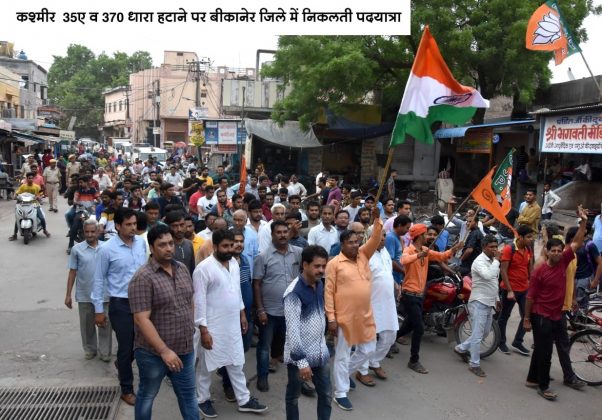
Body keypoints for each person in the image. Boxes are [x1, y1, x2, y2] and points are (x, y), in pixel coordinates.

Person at [193, 229, 268, 417]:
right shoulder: (203, 269)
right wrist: (203, 330)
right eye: (225, 246)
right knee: (205, 366)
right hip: (211, 326)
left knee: (236, 362)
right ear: (215, 246)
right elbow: (199, 301)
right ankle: (202, 400)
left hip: (232, 323)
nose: (229, 249)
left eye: (231, 245)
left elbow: (236, 292)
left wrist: (242, 314)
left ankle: (244, 399)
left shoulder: (234, 263)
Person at [128, 224, 199, 420]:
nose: (168, 248)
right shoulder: (142, 278)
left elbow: (189, 299)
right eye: (162, 245)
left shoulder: (182, 268)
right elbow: (141, 319)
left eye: (170, 244)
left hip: (184, 350)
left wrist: (191, 325)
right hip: (153, 353)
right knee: (147, 394)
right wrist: (164, 351)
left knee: (188, 396)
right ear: (151, 248)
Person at [524, 206, 589, 400]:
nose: (557, 253)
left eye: (559, 250)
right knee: (545, 352)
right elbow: (530, 297)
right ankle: (543, 387)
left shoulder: (563, 261)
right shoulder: (539, 271)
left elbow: (577, 242)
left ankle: (532, 379)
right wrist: (526, 319)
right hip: (541, 315)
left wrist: (583, 221)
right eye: (553, 251)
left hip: (557, 313)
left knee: (548, 347)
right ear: (547, 251)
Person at [325, 207, 382, 411]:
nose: (355, 245)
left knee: (369, 350)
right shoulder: (334, 264)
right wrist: (331, 318)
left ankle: (343, 375)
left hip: (365, 315)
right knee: (342, 354)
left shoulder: (363, 255)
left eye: (357, 242)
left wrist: (376, 219)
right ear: (342, 244)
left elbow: (375, 239)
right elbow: (329, 292)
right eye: (350, 242)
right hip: (344, 318)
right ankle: (340, 393)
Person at [92, 208, 148, 406]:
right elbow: (98, 279)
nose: (133, 228)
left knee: (142, 342)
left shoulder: (141, 243)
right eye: (128, 225)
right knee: (126, 345)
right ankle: (127, 388)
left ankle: (122, 365)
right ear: (117, 226)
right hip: (120, 303)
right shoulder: (107, 249)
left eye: (134, 224)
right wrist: (99, 310)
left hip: (142, 302)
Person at [399, 224, 462, 374]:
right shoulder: (410, 250)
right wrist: (418, 255)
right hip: (410, 294)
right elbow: (403, 260)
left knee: (408, 325)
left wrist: (454, 249)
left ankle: (387, 341)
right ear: (420, 236)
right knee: (419, 328)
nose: (428, 237)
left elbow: (441, 256)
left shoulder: (426, 250)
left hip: (420, 295)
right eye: (426, 234)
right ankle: (413, 361)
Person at [253, 221, 303, 392]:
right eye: (278, 232)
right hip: (269, 311)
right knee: (264, 346)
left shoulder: (298, 254)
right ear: (272, 235)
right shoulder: (263, 256)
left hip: (292, 310)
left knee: (293, 345)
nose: (282, 235)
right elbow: (257, 284)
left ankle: (300, 381)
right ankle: (262, 377)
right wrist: (260, 310)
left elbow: (304, 278)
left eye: (285, 232)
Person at [284, 246, 332, 420]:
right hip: (299, 358)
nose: (321, 270)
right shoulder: (293, 293)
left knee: (326, 396)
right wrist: (302, 362)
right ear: (305, 264)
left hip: (320, 353)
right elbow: (292, 331)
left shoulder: (319, 284)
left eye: (323, 266)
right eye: (317, 266)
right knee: (294, 397)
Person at [65, 219, 112, 362]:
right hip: (85, 294)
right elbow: (72, 272)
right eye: (87, 232)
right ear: (83, 232)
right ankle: (90, 349)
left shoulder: (107, 247)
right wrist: (68, 295)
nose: (90, 234)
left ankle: (105, 352)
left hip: (104, 294)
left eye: (93, 231)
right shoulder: (76, 249)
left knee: (105, 324)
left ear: (98, 231)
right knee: (87, 325)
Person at [454, 235, 500, 377]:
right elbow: (487, 275)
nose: (494, 249)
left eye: (495, 247)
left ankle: (461, 348)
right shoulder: (479, 261)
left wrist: (497, 299)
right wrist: (497, 260)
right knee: (478, 335)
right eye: (491, 247)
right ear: (484, 247)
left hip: (489, 302)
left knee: (484, 332)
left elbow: (493, 282)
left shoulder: (492, 261)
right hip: (479, 302)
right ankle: (474, 364)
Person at [360, 229, 399, 382]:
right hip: (371, 303)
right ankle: (362, 371)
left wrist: (395, 284)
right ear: (370, 238)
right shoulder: (364, 255)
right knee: (368, 340)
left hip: (388, 303)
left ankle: (374, 361)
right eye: (378, 235)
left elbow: (386, 273)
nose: (382, 238)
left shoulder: (385, 253)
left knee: (390, 335)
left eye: (384, 235)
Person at [497, 225, 536, 356]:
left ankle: (517, 341)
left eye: (532, 237)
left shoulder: (529, 249)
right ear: (520, 237)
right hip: (509, 289)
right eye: (529, 237)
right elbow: (503, 270)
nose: (531, 239)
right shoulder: (509, 249)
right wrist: (509, 290)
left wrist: (532, 284)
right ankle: (500, 341)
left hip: (524, 289)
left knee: (527, 316)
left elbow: (530, 268)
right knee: (504, 316)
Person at [9, 172, 51, 240]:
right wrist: (15, 196)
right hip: (23, 204)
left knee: (41, 217)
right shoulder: (23, 186)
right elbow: (17, 193)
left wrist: (39, 197)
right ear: (27, 178)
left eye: (32, 178)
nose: (31, 179)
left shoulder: (36, 186)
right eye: (29, 178)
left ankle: (45, 230)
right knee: (18, 218)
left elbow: (40, 193)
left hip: (34, 204)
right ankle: (14, 234)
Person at [164, 211, 196, 276]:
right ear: (168, 227)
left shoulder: (189, 244)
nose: (179, 229)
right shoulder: (165, 247)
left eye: (182, 225)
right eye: (175, 226)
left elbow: (192, 268)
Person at [385, 215, 412, 285]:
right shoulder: (390, 238)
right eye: (407, 228)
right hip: (392, 277)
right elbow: (390, 260)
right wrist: (403, 271)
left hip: (398, 277)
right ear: (400, 225)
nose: (408, 230)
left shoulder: (399, 238)